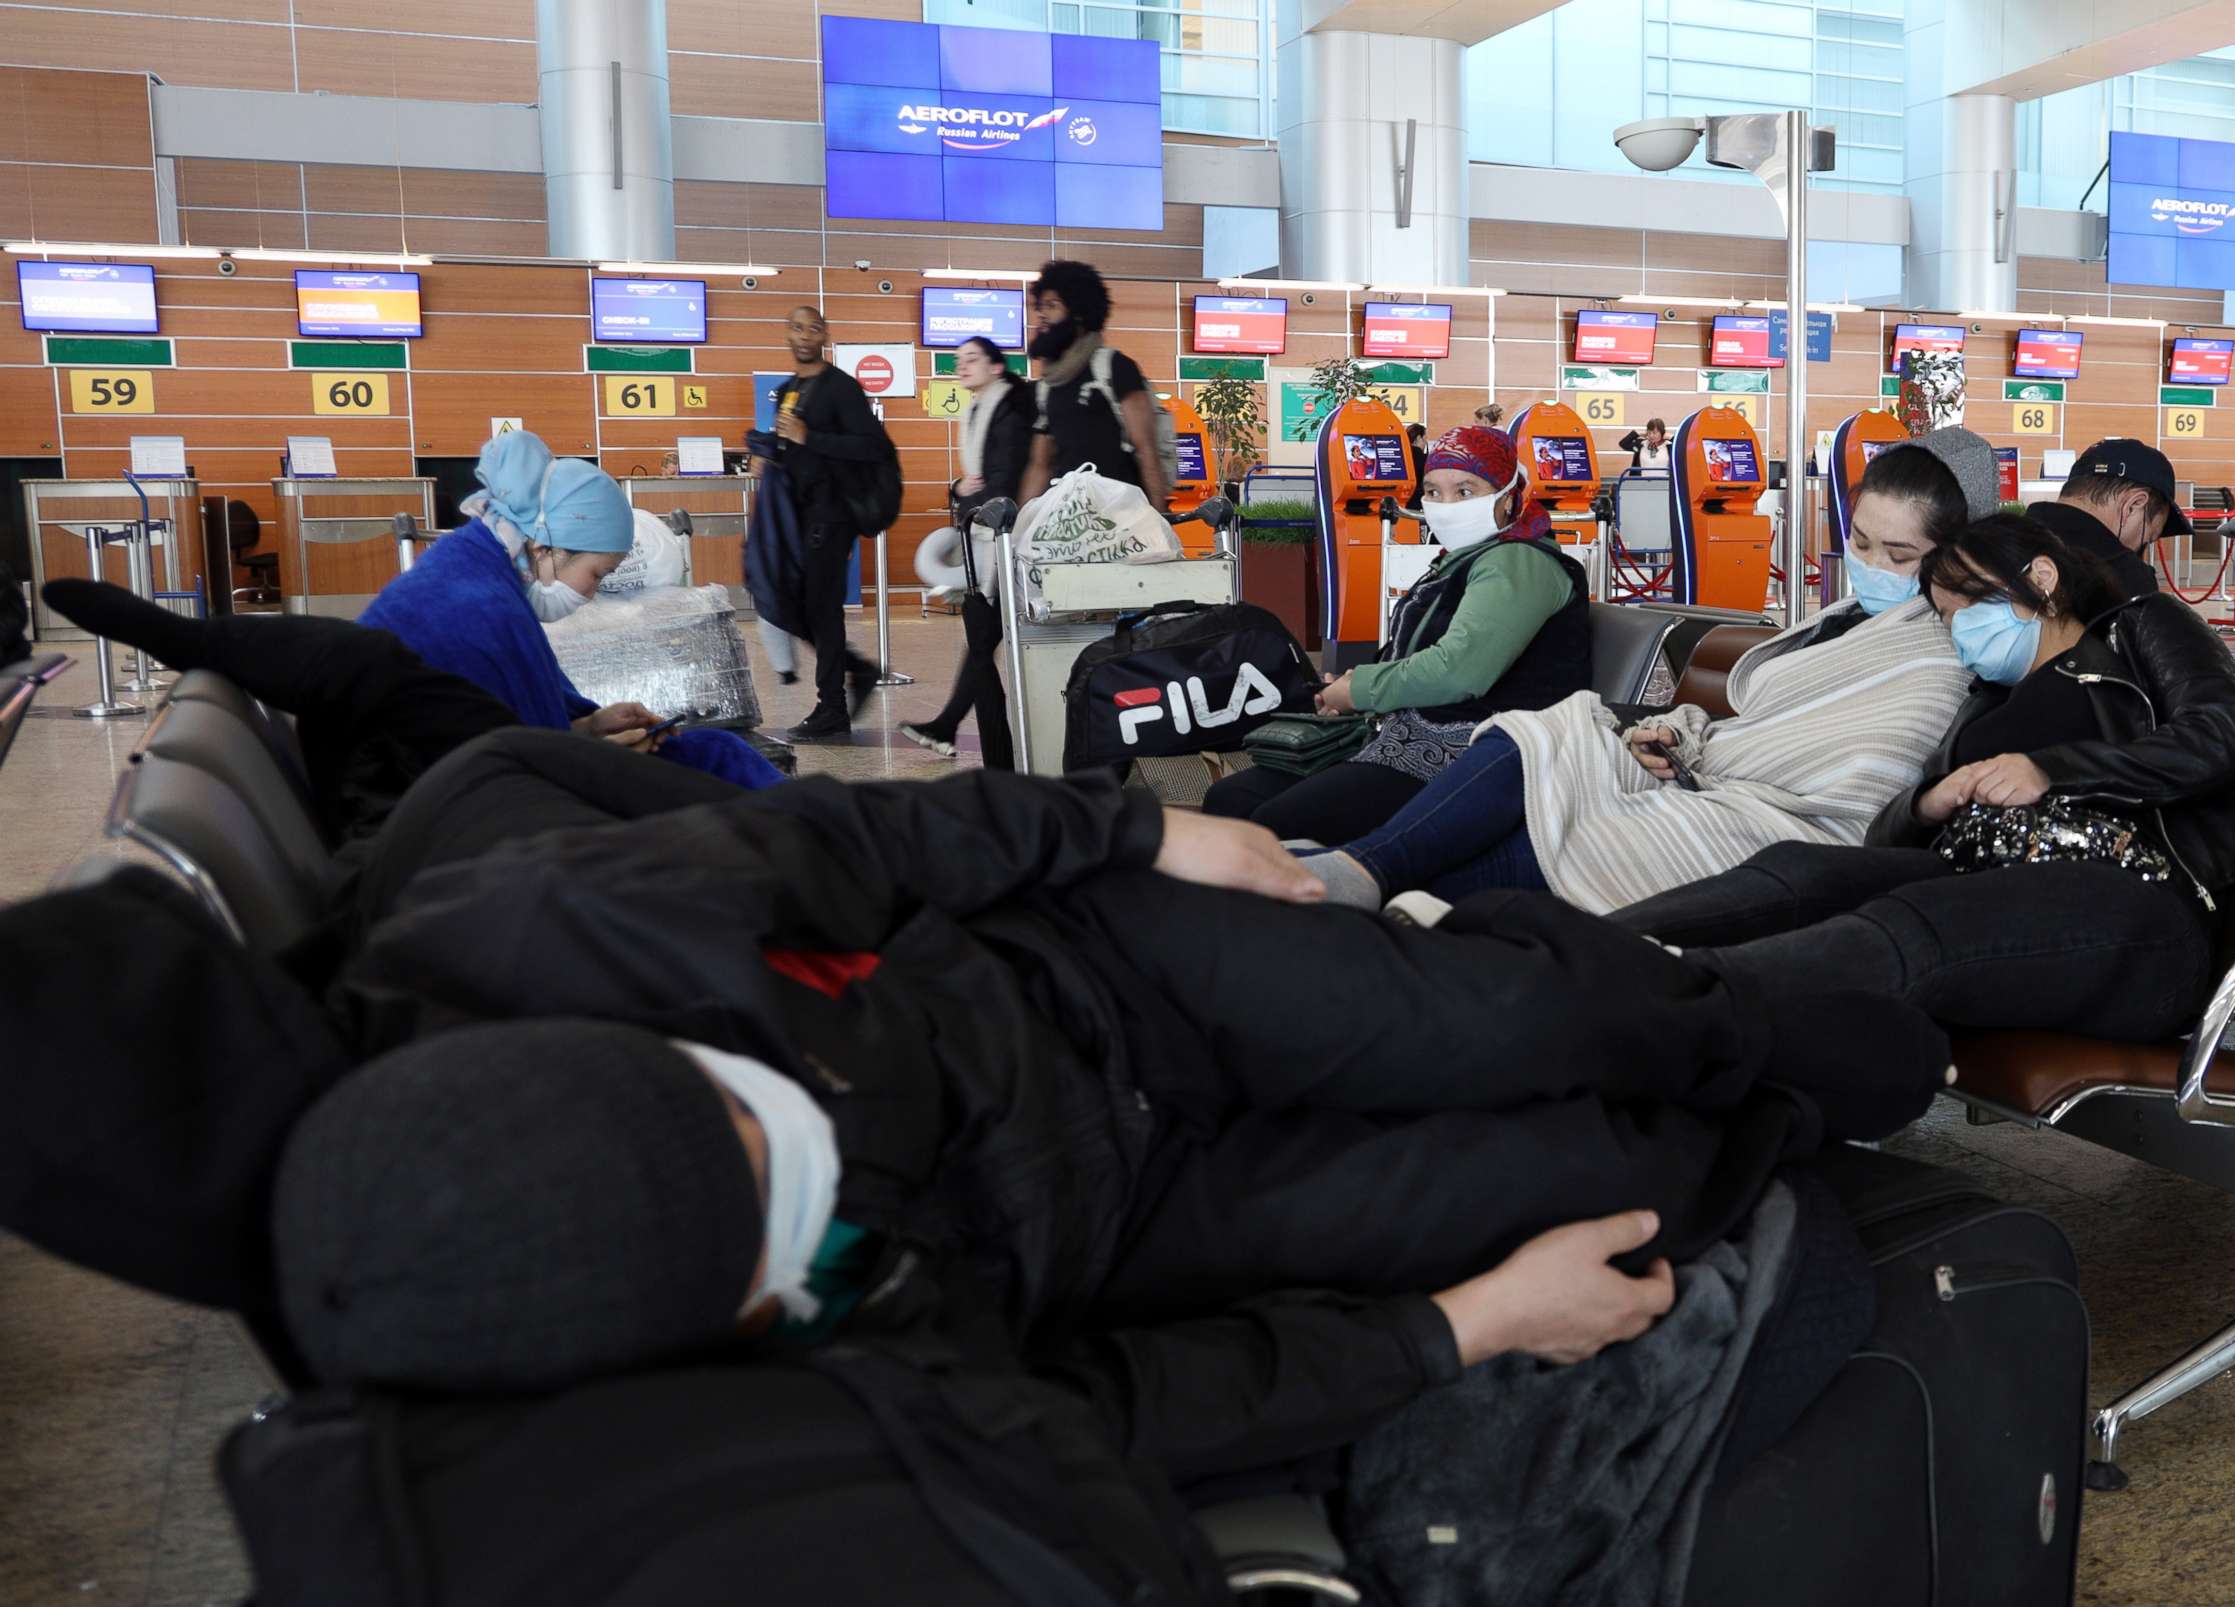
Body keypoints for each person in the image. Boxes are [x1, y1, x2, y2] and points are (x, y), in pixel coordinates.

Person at [2, 707, 1950, 1480]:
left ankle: (1829, 1019)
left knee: (1524, 1027)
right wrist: (1456, 1330)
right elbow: (1070, 1417)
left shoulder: (516, 931)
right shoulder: (516, 1287)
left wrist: (1140, 832)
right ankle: (1770, 1120)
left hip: (1091, 980)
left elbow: (846, 842)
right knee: (1585, 1193)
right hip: (1106, 1235)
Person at [1617, 513, 2235, 1041]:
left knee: (1918, 922)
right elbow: (1885, 844)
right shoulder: (1985, 696)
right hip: (1991, 894)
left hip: (2136, 912)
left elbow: (2211, 739)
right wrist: (1925, 803)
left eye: (1968, 606)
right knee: (1805, 870)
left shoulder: (2144, 628)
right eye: (1945, 616)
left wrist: (2048, 768)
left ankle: (1651, 995)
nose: (1958, 630)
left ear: (2042, 578)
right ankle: (1585, 947)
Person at [1298, 440, 1992, 913]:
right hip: (1712, 776)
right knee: (1548, 733)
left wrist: (1706, 755)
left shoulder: (1938, 656)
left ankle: (1361, 886)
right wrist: (1678, 735)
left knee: (1575, 827)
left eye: (1899, 553)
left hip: (1779, 822)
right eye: (1862, 542)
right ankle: (1365, 870)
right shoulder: (1846, 616)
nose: (1872, 564)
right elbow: (1761, 723)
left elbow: (1864, 776)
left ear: (1954, 556)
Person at [1203, 425, 1594, 841]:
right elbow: (1419, 647)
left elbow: (1458, 671)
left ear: (1510, 498)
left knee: (1275, 824)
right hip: (1405, 731)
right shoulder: (1464, 559)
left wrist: (1360, 690)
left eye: (1465, 491)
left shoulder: (1517, 561)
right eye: (1432, 491)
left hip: (1477, 751)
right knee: (1231, 799)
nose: (1445, 505)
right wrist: (1355, 685)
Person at [349, 430, 782, 796]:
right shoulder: (477, 611)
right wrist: (585, 752)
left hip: (442, 788)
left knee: (717, 753)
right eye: (597, 574)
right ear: (546, 546)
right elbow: (511, 777)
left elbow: (512, 735)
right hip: (434, 814)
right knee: (721, 767)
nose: (592, 594)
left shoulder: (473, 572)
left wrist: (589, 728)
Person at [750, 304, 900, 743]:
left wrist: (807, 437)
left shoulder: (841, 389)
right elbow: (794, 449)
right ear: (786, 334)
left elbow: (872, 447)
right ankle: (857, 670)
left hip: (830, 518)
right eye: (795, 327)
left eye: (812, 329)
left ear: (823, 335)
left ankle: (832, 706)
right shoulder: (791, 390)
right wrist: (770, 454)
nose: (803, 336)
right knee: (793, 605)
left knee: (821, 611)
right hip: (798, 517)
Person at [900, 336, 1031, 766]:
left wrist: (968, 498)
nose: (962, 366)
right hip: (983, 542)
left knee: (981, 646)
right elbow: (973, 479)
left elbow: (1005, 475)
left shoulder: (1013, 406)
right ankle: (974, 742)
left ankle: (963, 736)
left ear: (997, 367)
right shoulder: (977, 408)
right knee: (980, 647)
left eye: (972, 359)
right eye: (958, 360)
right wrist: (957, 489)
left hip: (1009, 541)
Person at [1017, 260, 1163, 501]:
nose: (1042, 315)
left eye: (1052, 306)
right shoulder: (1048, 384)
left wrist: (1160, 520)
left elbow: (1146, 450)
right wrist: (1018, 528)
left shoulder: (1114, 367)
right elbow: (1039, 465)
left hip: (1120, 511)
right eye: (1040, 307)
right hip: (1070, 516)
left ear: (1079, 313)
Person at [2025, 438, 2187, 599]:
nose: (2139, 551)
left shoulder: (2008, 541)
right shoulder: (2124, 578)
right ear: (2132, 505)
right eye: (2147, 539)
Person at [1404, 421, 1431, 513]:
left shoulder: (1402, 454)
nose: (1426, 442)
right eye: (1425, 438)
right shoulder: (1422, 458)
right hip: (1416, 504)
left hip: (1403, 502)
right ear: (1419, 438)